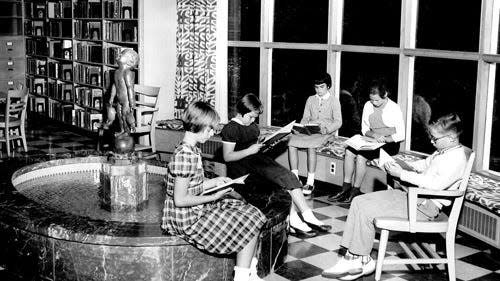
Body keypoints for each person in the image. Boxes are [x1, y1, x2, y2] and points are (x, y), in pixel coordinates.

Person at [322, 113, 468, 280]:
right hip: (414, 197)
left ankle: (360, 259)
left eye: (435, 138)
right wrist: (401, 165)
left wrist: (402, 174)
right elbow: (425, 165)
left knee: (366, 210)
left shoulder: (456, 159)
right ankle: (352, 257)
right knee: (358, 201)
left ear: (450, 138)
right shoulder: (444, 151)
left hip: (424, 208)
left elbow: (434, 184)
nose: (431, 142)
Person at [161, 101, 267, 281]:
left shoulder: (191, 149)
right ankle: (242, 277)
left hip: (193, 209)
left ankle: (248, 273)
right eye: (210, 130)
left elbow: (194, 186)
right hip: (186, 219)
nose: (212, 134)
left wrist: (215, 182)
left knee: (251, 212)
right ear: (199, 126)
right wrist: (213, 196)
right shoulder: (184, 156)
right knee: (249, 219)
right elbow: (180, 200)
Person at [221, 93, 332, 237]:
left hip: (257, 161)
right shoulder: (231, 128)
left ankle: (308, 215)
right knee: (279, 184)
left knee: (289, 176)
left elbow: (253, 143)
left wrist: (266, 143)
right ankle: (294, 221)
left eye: (255, 117)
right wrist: (249, 150)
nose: (253, 120)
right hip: (242, 169)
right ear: (241, 112)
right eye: (251, 117)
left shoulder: (252, 125)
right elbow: (227, 156)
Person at [329, 80, 405, 203]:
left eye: (377, 100)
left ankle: (355, 190)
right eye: (372, 100)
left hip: (390, 143)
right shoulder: (368, 105)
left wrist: (384, 139)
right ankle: (345, 188)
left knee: (361, 156)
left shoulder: (394, 108)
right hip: (373, 139)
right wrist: (374, 135)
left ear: (385, 95)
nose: (374, 103)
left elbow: (401, 135)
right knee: (349, 151)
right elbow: (364, 129)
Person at [288, 72, 342, 195]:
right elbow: (305, 118)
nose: (319, 90)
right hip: (311, 130)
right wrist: (301, 127)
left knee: (311, 146)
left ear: (328, 86)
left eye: (322, 87)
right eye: (316, 87)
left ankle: (310, 182)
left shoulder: (334, 101)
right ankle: (295, 178)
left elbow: (338, 122)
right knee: (291, 143)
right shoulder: (310, 99)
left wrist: (327, 129)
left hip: (326, 132)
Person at [103, 48, 138, 135]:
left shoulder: (127, 72)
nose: (118, 56)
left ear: (129, 61)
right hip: (119, 99)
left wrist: (132, 102)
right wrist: (111, 97)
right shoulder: (116, 72)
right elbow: (115, 85)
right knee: (119, 116)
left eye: (121, 55)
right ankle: (122, 130)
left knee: (125, 115)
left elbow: (130, 88)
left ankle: (127, 131)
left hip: (126, 101)